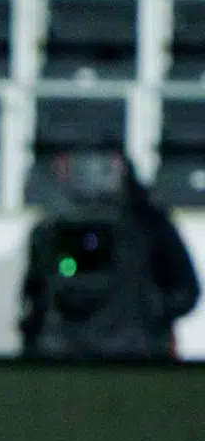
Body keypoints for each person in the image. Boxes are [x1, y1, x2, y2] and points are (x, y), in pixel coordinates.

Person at [20, 148, 200, 359]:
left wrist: (146, 308)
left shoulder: (149, 226)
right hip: (68, 358)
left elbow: (185, 292)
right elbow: (35, 301)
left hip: (134, 356)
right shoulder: (48, 232)